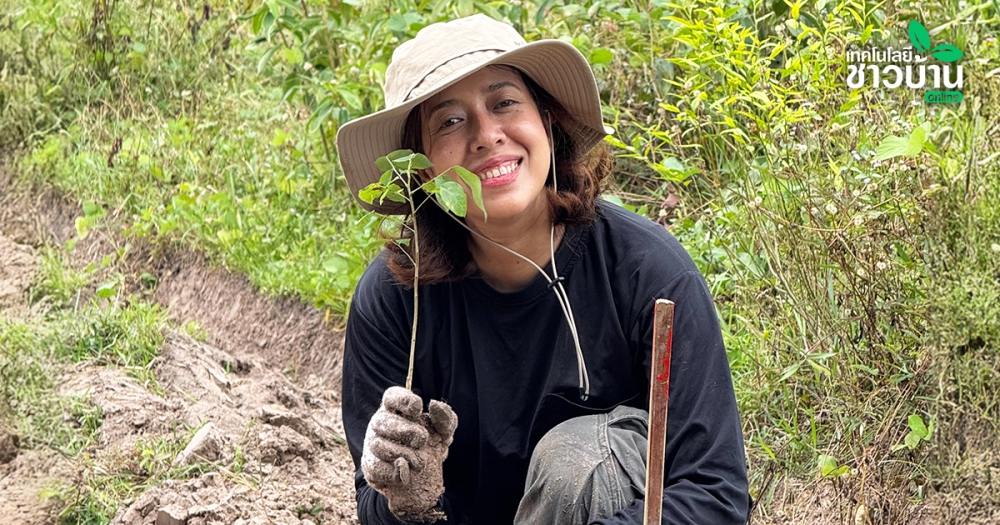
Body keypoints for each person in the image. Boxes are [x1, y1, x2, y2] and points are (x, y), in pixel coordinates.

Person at [336, 14, 749, 525]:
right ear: (422, 169)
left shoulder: (648, 272)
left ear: (546, 123)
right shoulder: (396, 300)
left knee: (574, 462)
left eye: (504, 103)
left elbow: (716, 490)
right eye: (450, 120)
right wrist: (405, 501)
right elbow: (369, 506)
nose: (487, 136)